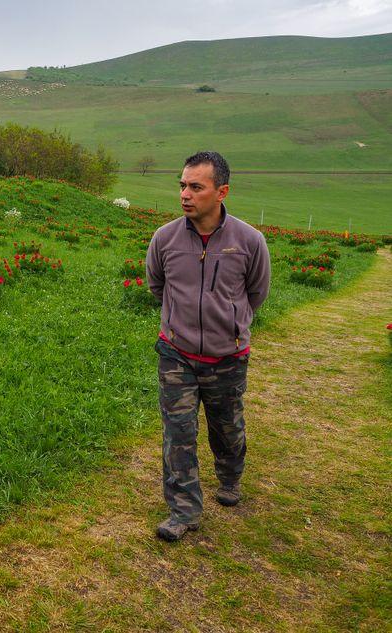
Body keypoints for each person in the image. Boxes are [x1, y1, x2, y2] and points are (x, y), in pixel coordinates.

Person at [145, 151, 271, 542]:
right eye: (182, 185)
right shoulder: (164, 238)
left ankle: (230, 477)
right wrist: (179, 323)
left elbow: (256, 292)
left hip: (227, 358)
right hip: (176, 354)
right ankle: (184, 510)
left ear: (221, 192)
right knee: (177, 433)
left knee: (225, 427)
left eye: (196, 187)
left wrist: (228, 325)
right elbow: (156, 287)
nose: (185, 194)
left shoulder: (249, 241)